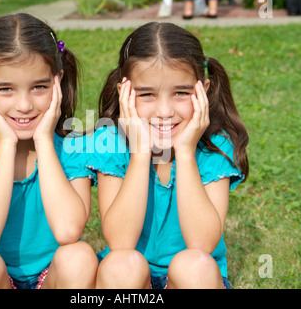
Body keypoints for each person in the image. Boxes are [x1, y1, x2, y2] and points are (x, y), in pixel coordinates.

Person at [0, 13, 98, 289]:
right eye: (5, 89)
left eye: (39, 87)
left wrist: (45, 142)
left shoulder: (73, 148)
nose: (24, 105)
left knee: (80, 256)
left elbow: (69, 231)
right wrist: (7, 145)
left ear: (57, 82)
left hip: (53, 277)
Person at [89, 22, 249, 289]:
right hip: (130, 278)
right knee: (121, 265)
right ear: (124, 93)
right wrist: (140, 153)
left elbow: (202, 244)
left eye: (181, 93)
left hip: (192, 279)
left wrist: (185, 152)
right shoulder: (112, 144)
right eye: (147, 94)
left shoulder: (215, 147)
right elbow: (120, 242)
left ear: (204, 90)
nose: (164, 111)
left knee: (193, 266)